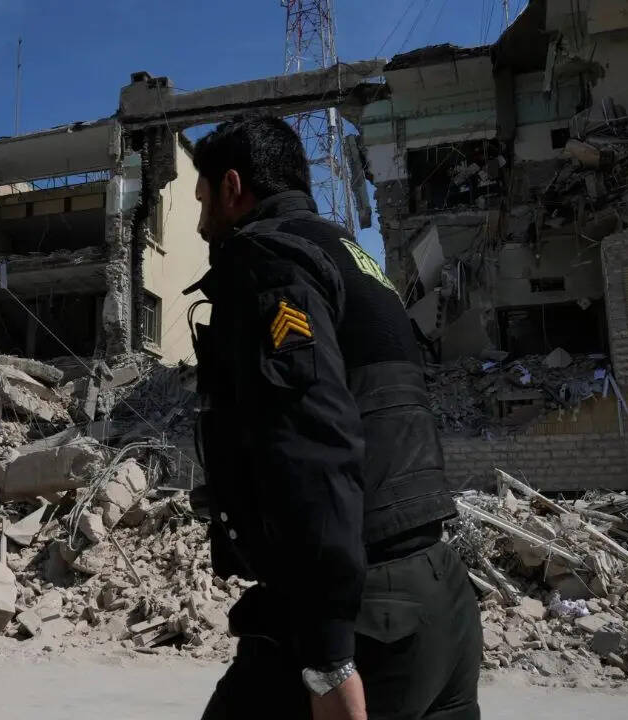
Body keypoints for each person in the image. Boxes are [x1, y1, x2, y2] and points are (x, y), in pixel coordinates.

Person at [184, 115, 482, 720]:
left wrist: (327, 659)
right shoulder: (353, 260)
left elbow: (312, 447)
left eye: (202, 199)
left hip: (368, 618)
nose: (199, 222)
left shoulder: (272, 261)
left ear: (232, 187)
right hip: (442, 599)